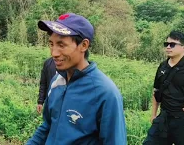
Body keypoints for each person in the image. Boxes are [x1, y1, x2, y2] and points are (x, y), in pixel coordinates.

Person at [27, 13, 126, 145]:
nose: (54, 53)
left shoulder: (105, 93)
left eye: (61, 45)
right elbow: (47, 127)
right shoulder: (57, 81)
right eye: (51, 44)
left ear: (84, 45)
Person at [143, 31, 184, 145]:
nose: (168, 47)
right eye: (166, 44)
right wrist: (153, 114)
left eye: (172, 44)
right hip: (164, 118)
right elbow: (156, 91)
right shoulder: (163, 65)